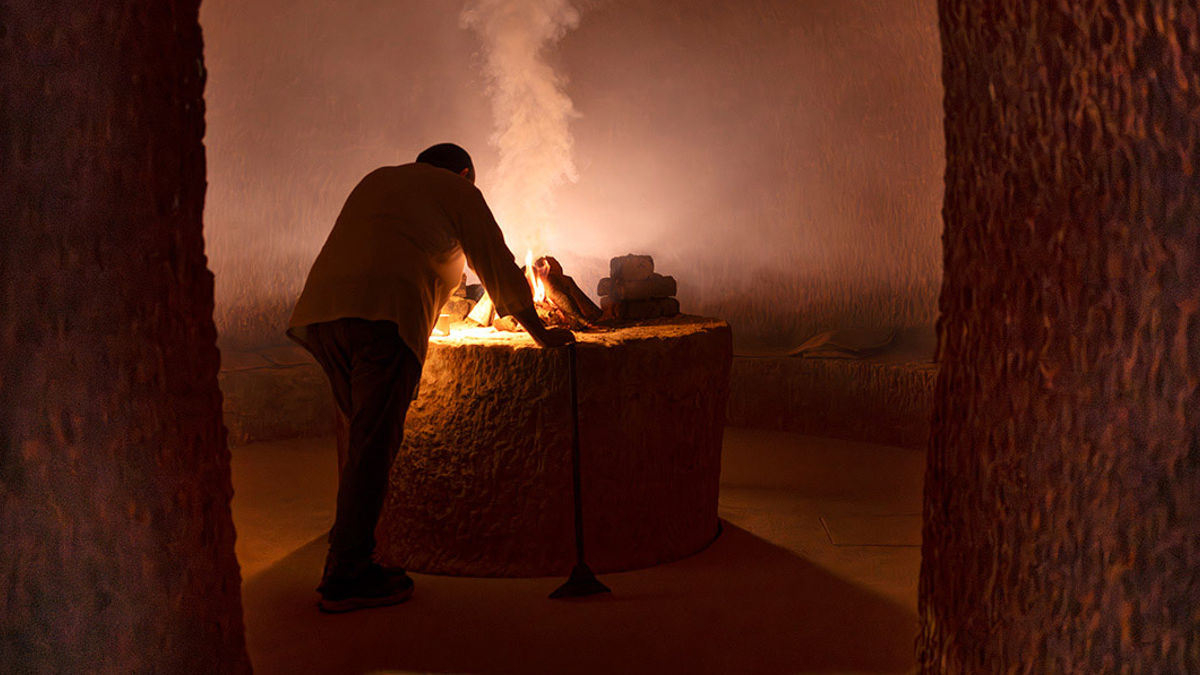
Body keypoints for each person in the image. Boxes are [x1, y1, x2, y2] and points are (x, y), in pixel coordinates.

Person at [286, 143, 574, 613]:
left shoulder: (379, 178)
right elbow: (495, 262)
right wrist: (540, 332)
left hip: (324, 316)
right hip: (383, 319)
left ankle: (349, 548)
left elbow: (388, 248)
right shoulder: (458, 190)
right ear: (465, 173)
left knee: (365, 442)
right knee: (373, 446)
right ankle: (348, 574)